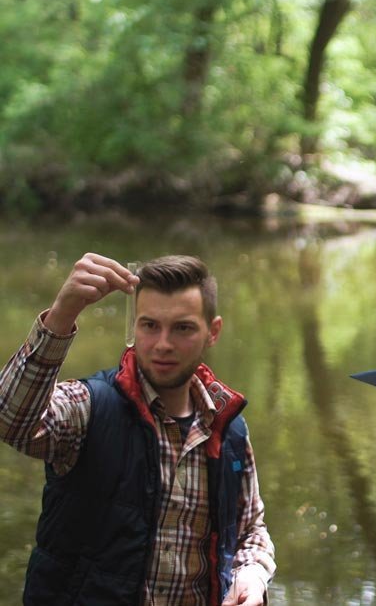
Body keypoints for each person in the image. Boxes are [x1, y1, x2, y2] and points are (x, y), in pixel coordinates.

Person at [0, 253, 275, 605]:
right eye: (150, 326)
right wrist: (62, 315)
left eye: (183, 328)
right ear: (135, 327)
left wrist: (250, 576)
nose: (163, 343)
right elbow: (12, 422)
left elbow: (251, 531)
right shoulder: (89, 408)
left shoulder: (229, 429)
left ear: (213, 332)